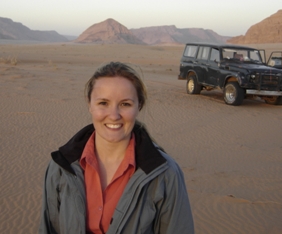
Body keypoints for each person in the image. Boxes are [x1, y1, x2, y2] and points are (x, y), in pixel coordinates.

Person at [39, 62, 194, 234]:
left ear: (138, 106)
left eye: (125, 104)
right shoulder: (60, 167)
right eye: (103, 103)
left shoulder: (165, 174)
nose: (114, 115)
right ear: (89, 104)